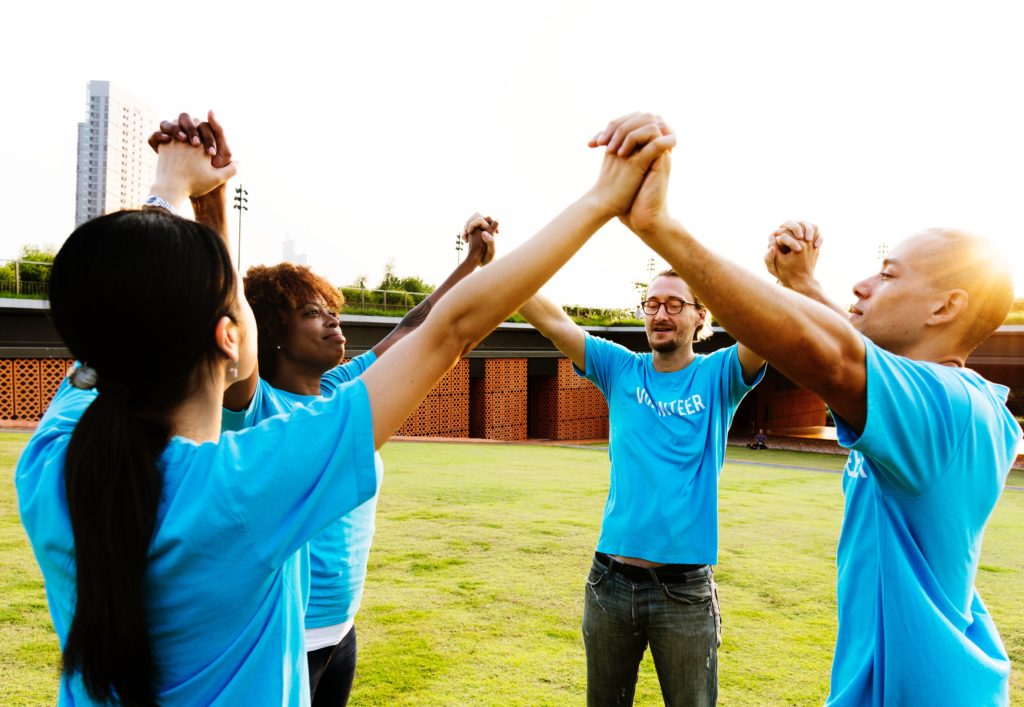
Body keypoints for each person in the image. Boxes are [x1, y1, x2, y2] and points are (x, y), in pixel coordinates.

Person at [16, 110, 676, 705]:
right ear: (229, 336)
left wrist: (173, 190)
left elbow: (116, 322)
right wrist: (601, 199)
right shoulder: (246, 486)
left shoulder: (47, 466)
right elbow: (448, 330)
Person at [599, 112, 1022, 706]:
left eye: (888, 273)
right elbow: (857, 351)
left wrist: (660, 227)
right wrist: (802, 284)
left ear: (945, 307)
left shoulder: (943, 410)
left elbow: (835, 357)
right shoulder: (961, 404)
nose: (862, 286)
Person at [219, 214, 496, 705]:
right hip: (283, 636)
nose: (333, 320)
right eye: (311, 312)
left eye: (332, 310)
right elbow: (233, 320)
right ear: (273, 330)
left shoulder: (343, 389)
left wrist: (471, 261)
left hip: (341, 629)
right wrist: (212, 206)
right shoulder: (252, 405)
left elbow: (417, 324)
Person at [518, 263, 765, 702]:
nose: (660, 314)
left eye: (674, 304)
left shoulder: (718, 375)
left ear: (700, 316)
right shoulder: (620, 368)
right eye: (652, 304)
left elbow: (769, 327)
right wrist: (495, 264)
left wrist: (790, 276)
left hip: (683, 593)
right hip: (608, 585)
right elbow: (553, 322)